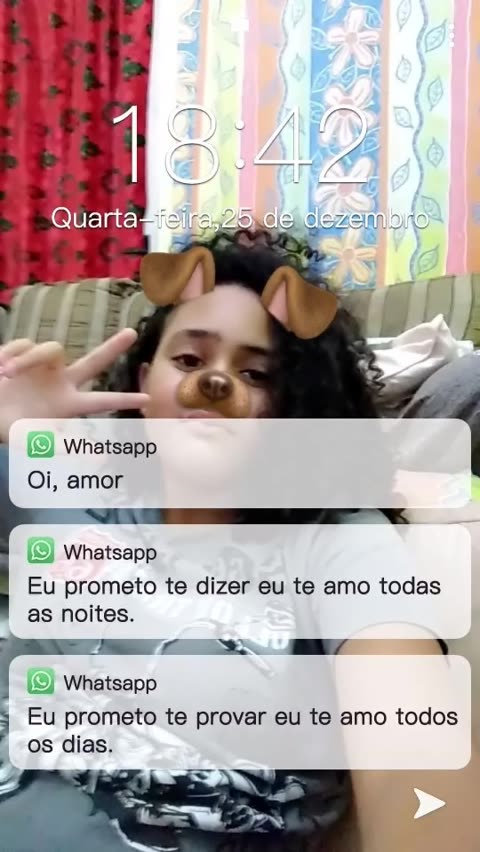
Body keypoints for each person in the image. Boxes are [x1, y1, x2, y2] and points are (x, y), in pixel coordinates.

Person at [0, 229, 477, 852]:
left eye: (254, 372)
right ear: (145, 382)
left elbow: (411, 747)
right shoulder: (70, 483)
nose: (215, 383)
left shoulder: (337, 542)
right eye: (188, 361)